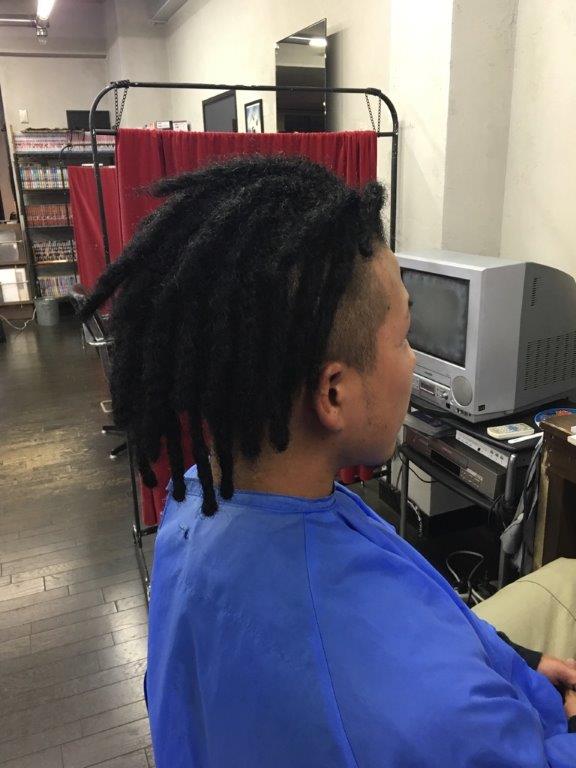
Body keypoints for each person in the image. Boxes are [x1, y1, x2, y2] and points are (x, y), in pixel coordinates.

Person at [81, 156, 576, 767]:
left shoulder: (192, 503)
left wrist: (518, 661)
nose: (414, 362)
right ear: (334, 394)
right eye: (404, 338)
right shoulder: (424, 708)